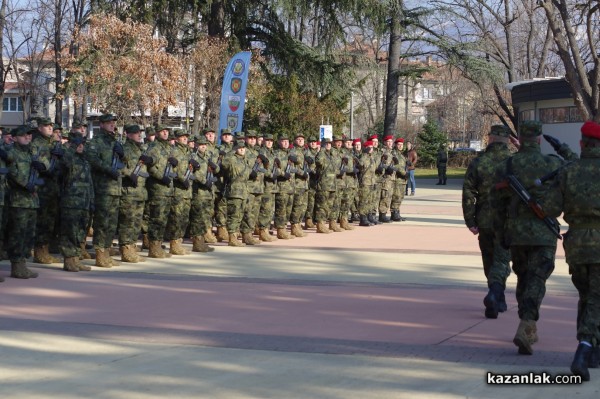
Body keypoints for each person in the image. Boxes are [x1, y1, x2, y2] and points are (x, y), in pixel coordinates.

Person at [492, 120, 576, 355]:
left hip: (516, 233)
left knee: (523, 277)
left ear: (521, 138)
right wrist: (563, 148)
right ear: (539, 139)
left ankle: (526, 323)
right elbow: (577, 166)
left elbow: (496, 204)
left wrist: (501, 233)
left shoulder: (507, 164)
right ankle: (527, 323)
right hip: (543, 234)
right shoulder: (553, 163)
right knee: (537, 280)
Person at [543, 120, 600, 381]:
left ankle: (592, 352)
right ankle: (585, 347)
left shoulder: (568, 171)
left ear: (582, 144)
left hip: (576, 243)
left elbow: (551, 209)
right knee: (595, 298)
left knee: (588, 295)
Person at [462, 125, 513, 319]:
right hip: (507, 219)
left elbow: (469, 192)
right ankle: (497, 294)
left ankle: (495, 293)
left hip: (484, 218)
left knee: (489, 259)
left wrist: (470, 219)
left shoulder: (478, 162)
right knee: (502, 259)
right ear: (507, 140)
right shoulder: (513, 162)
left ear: (490, 139)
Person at [86, 113, 123, 267]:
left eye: (113, 123)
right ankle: (100, 253)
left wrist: (123, 154)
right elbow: (93, 160)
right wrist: (108, 170)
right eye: (108, 123)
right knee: (102, 222)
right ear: (101, 124)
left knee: (112, 222)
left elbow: (123, 161)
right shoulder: (96, 141)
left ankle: (106, 250)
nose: (112, 125)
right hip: (102, 187)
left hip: (115, 188)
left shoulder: (114, 141)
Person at [6, 125, 43, 278]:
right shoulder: (11, 153)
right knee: (17, 234)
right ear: (14, 138)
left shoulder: (30, 153)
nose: (28, 137)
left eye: (29, 135)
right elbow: (11, 173)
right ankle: (16, 265)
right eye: (24, 135)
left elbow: (44, 166)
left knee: (28, 234)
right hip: (17, 201)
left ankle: (23, 264)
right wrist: (24, 183)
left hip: (32, 200)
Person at [58, 133, 93, 272]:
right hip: (70, 202)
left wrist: (92, 200)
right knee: (69, 232)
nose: (80, 146)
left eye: (82, 144)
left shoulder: (84, 161)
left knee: (80, 232)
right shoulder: (69, 158)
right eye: (77, 144)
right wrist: (72, 147)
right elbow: (65, 163)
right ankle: (69, 260)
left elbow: (89, 183)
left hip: (83, 202)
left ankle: (76, 258)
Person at [118, 124, 149, 263]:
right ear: (128, 134)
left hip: (140, 191)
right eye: (136, 133)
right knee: (128, 222)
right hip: (129, 191)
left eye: (140, 133)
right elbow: (118, 165)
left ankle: (131, 247)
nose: (139, 135)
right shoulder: (124, 148)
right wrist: (129, 174)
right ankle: (125, 250)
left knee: (136, 222)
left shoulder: (140, 148)